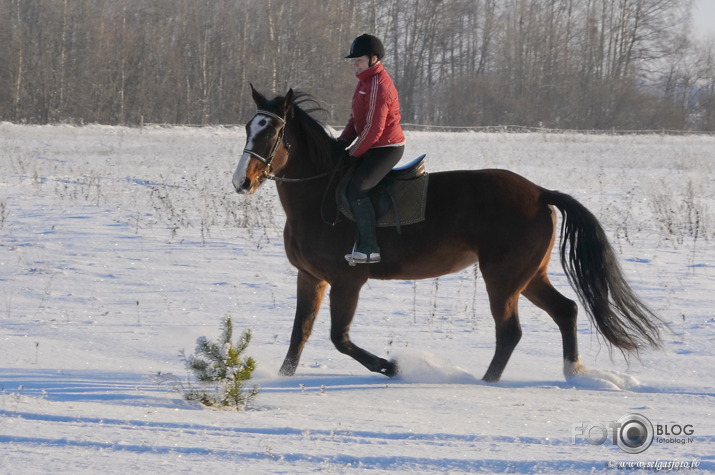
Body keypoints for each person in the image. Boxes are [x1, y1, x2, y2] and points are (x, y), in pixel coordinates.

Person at [339, 34, 406, 264]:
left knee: (357, 190)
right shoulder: (364, 82)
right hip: (371, 145)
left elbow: (373, 129)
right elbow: (356, 120)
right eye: (354, 59)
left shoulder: (379, 85)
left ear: (374, 58)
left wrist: (352, 153)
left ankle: (369, 248)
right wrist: (340, 143)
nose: (354, 63)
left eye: (358, 59)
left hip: (386, 148)